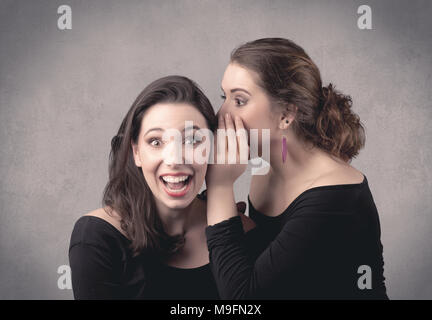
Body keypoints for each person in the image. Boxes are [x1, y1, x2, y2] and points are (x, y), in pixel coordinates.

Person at [205, 38, 388, 299]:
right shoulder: (265, 174)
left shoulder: (336, 196)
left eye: (240, 100)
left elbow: (244, 299)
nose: (221, 114)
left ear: (286, 114)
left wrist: (219, 187)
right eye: (225, 97)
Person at [69, 75, 222, 299]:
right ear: (136, 152)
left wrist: (223, 190)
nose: (174, 159)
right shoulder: (97, 237)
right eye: (156, 142)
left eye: (192, 141)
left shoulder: (241, 232)